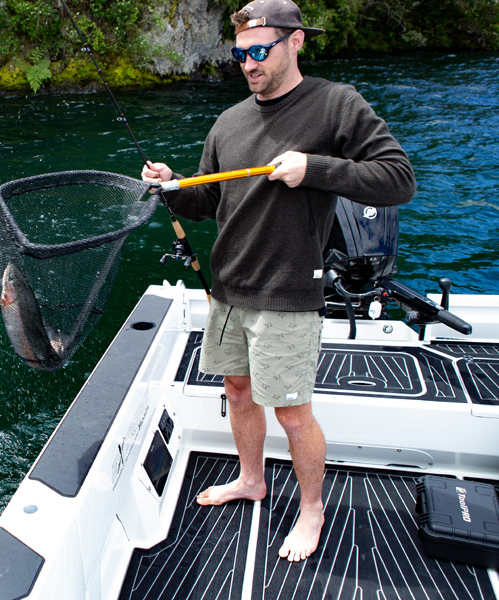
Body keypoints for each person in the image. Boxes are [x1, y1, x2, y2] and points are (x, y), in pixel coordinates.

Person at [142, 0, 416, 562]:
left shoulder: (336, 104)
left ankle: (312, 509)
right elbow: (211, 201)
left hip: (288, 294)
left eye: (260, 50)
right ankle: (251, 479)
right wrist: (175, 185)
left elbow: (397, 179)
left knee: (292, 411)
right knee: (237, 393)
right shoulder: (229, 121)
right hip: (228, 290)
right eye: (240, 53)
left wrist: (314, 168)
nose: (249, 63)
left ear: (296, 42)